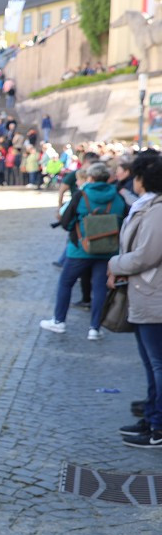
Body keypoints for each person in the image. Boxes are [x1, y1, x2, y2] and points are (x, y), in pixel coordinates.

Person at [109, 153, 162, 448]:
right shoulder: (149, 206)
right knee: (152, 364)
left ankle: (157, 426)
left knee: (158, 365)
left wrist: (115, 264)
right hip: (147, 294)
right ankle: (152, 418)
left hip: (154, 296)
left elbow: (146, 255)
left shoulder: (157, 210)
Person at [41, 162, 128, 340]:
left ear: (90, 177)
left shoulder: (81, 195)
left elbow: (66, 222)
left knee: (66, 282)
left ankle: (59, 321)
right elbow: (125, 221)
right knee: (100, 288)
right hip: (107, 250)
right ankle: (95, 328)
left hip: (80, 249)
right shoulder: (118, 197)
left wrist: (78, 230)